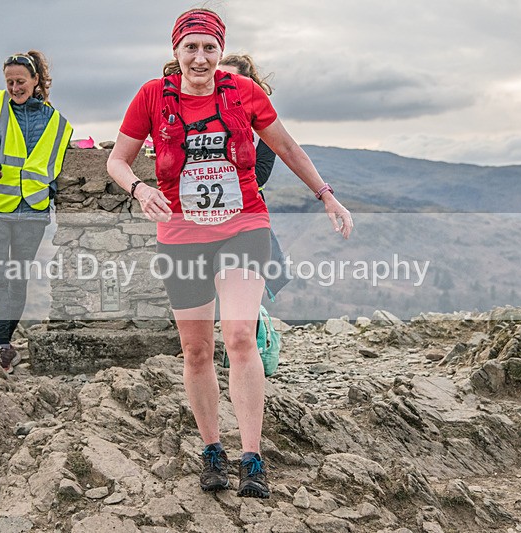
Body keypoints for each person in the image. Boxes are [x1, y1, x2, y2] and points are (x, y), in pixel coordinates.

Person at [107, 9, 353, 498]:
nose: (200, 58)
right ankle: (213, 449)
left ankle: (252, 456)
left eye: (209, 49)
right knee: (196, 350)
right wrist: (138, 188)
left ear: (221, 51)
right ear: (176, 52)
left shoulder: (243, 93)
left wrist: (326, 194)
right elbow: (117, 159)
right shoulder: (152, 96)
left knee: (239, 335)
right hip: (181, 234)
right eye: (190, 48)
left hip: (244, 226)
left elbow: (285, 147)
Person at [0, 50, 73, 373]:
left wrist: (51, 195)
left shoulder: (56, 122)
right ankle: (2, 343)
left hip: (32, 211)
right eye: (9, 82)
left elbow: (55, 167)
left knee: (18, 278)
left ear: (35, 81)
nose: (15, 87)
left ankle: (6, 337)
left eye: (20, 81)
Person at [219, 53, 290, 297]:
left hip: (247, 212)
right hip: (203, 216)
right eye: (220, 78)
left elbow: (260, 174)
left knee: (246, 287)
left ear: (248, 84)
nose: (224, 85)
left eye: (232, 79)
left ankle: (254, 334)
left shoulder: (262, 126)